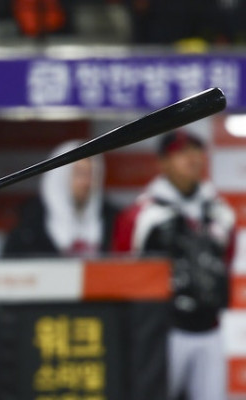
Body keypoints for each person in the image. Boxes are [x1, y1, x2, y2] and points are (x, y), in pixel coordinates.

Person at [112, 130, 235, 400]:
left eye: (196, 151)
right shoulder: (142, 215)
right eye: (182, 152)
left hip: (210, 328)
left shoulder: (220, 212)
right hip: (164, 330)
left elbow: (226, 261)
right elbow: (122, 272)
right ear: (164, 162)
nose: (192, 159)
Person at [2, 140, 119, 258]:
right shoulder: (27, 229)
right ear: (60, 176)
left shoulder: (114, 221)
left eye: (91, 174)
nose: (86, 182)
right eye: (79, 174)